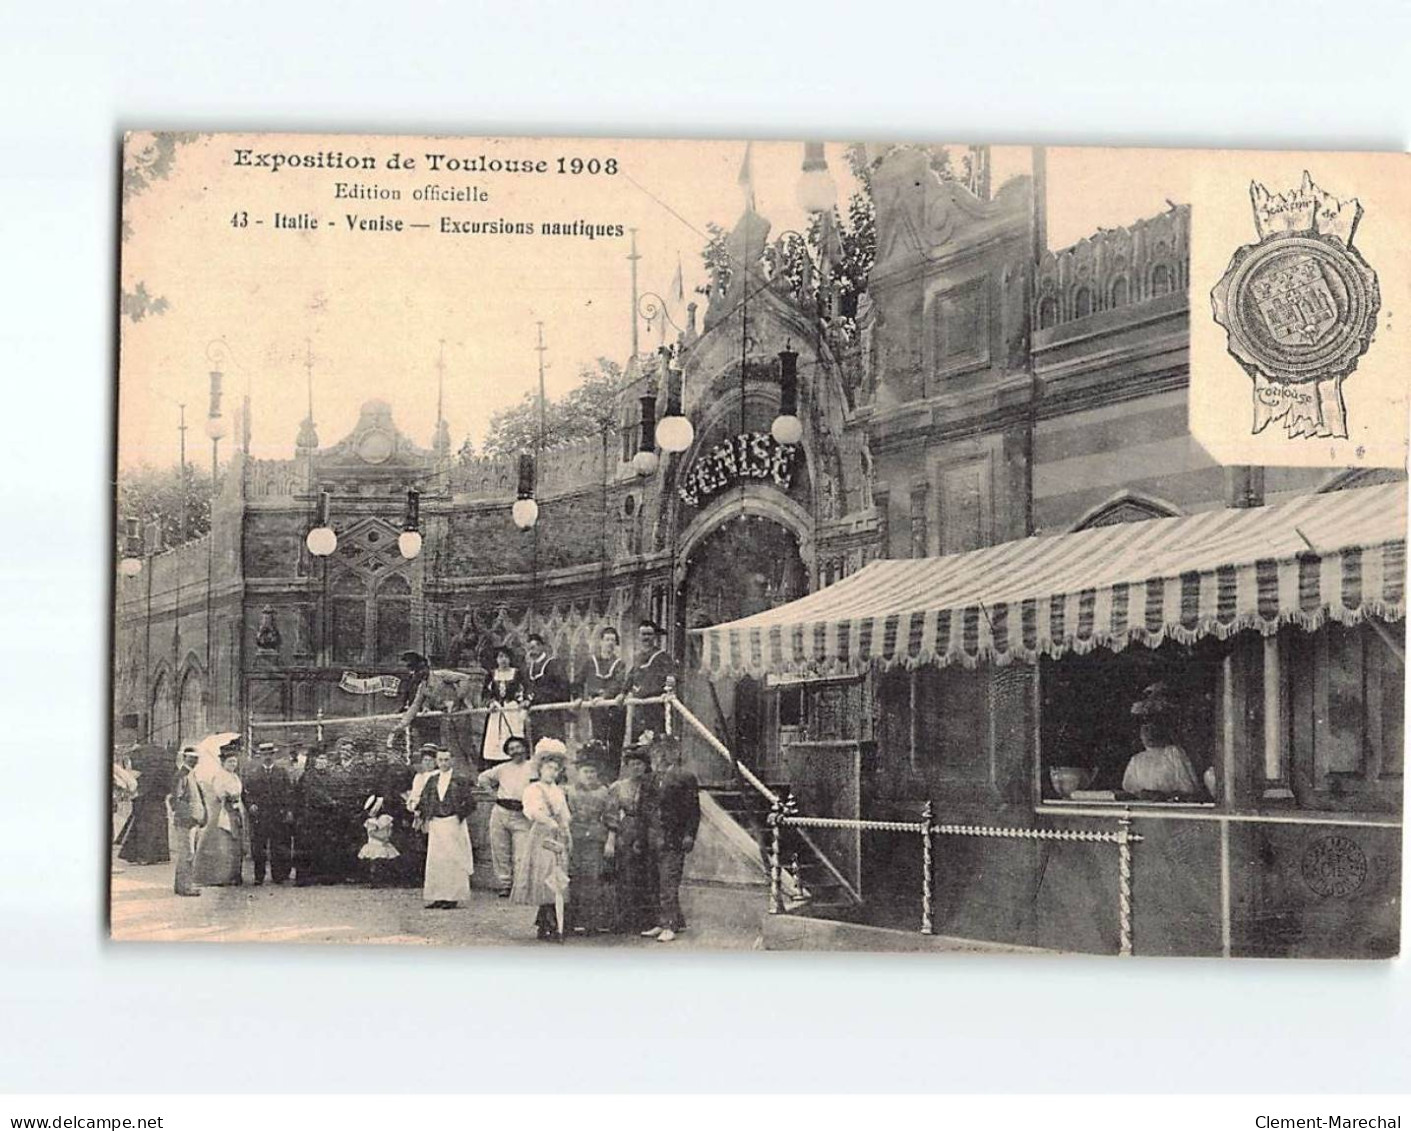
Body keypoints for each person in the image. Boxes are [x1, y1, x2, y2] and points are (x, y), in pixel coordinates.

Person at [642, 735, 699, 943]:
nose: (660, 756)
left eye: (665, 751)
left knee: (668, 882)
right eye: (656, 752)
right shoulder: (649, 779)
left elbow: (693, 811)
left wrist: (689, 835)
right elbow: (643, 809)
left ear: (674, 753)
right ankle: (660, 921)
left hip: (673, 838)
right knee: (654, 881)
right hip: (652, 837)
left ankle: (670, 925)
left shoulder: (685, 777)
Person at [513, 740, 572, 941]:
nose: (552, 772)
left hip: (558, 835)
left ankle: (549, 920)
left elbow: (564, 813)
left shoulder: (558, 790)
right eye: (548, 768)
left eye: (556, 769)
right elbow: (533, 811)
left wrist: (565, 829)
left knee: (559, 877)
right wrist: (549, 822)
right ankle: (549, 922)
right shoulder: (534, 789)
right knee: (546, 877)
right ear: (540, 769)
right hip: (542, 836)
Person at [415, 747, 476, 909]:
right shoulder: (432, 780)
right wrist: (425, 816)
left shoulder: (460, 780)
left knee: (453, 858)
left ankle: (452, 897)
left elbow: (470, 803)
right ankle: (438, 896)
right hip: (436, 823)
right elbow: (424, 800)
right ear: (436, 761)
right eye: (440, 760)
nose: (443, 763)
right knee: (436, 860)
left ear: (452, 761)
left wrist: (458, 815)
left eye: (446, 760)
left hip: (453, 822)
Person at [476, 734, 535, 897]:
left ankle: (521, 885)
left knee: (522, 852)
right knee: (500, 850)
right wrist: (492, 794)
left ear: (524, 748)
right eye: (511, 749)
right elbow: (482, 778)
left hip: (522, 814)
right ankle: (505, 885)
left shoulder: (533, 766)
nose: (515, 751)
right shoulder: (502, 768)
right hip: (501, 811)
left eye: (518, 747)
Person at [1122, 683, 1204, 798]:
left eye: (1152, 724)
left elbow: (1189, 789)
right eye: (1144, 726)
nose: (1147, 731)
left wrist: (1163, 795)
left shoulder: (1173, 753)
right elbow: (1130, 790)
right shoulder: (1136, 760)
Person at [565, 757, 617, 935]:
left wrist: (610, 841)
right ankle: (568, 922)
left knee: (593, 880)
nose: (589, 775)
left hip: (595, 839)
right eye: (585, 771)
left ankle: (591, 923)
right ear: (578, 773)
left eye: (592, 772)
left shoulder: (605, 792)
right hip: (573, 838)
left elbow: (612, 818)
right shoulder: (569, 791)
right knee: (571, 878)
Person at [608, 746, 656, 933]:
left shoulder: (652, 785)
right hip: (627, 830)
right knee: (626, 874)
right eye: (632, 764)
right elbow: (611, 814)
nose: (636, 768)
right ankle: (626, 919)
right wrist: (611, 839)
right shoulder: (618, 787)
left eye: (640, 764)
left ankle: (647, 920)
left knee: (648, 875)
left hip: (649, 829)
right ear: (627, 766)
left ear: (646, 766)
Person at [193, 749, 246, 886]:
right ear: (223, 763)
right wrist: (228, 796)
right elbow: (218, 793)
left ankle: (233, 875)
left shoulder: (234, 776)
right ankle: (219, 876)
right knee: (223, 845)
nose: (233, 764)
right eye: (230, 762)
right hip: (223, 811)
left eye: (235, 761)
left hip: (235, 811)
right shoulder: (219, 776)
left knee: (235, 845)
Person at [245, 742, 294, 885]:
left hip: (277, 815)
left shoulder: (282, 772)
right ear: (261, 756)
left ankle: (278, 875)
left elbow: (289, 792)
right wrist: (251, 804)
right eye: (265, 754)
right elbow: (246, 793)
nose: (268, 757)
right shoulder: (253, 774)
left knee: (277, 846)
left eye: (270, 754)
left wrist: (288, 810)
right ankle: (259, 876)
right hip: (260, 816)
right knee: (259, 848)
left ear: (274, 755)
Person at [580, 626, 628, 771]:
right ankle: (599, 775)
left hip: (614, 707)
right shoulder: (590, 662)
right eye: (607, 639)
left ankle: (612, 776)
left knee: (614, 742)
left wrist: (604, 696)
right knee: (598, 741)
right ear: (601, 642)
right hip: (596, 708)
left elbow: (618, 683)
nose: (610, 643)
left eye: (613, 640)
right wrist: (577, 697)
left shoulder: (620, 664)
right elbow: (578, 680)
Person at [118, 744, 173, 865]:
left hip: (146, 800)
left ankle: (143, 856)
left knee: (144, 828)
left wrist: (136, 793)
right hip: (157, 800)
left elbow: (136, 783)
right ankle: (157, 855)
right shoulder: (160, 770)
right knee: (155, 828)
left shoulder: (144, 766)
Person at [295, 750, 343, 886]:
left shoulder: (330, 775)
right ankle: (306, 878)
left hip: (327, 816)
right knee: (309, 845)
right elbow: (314, 793)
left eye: (325, 759)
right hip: (311, 816)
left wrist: (336, 801)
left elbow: (336, 790)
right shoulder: (309, 776)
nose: (323, 762)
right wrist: (330, 801)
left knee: (326, 846)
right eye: (320, 759)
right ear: (314, 761)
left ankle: (324, 876)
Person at [167, 745, 207, 897]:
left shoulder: (191, 775)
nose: (194, 761)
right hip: (186, 822)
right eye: (191, 758)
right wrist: (188, 817)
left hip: (193, 820)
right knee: (187, 854)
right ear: (184, 758)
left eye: (196, 758)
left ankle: (183, 885)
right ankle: (185, 887)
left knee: (189, 854)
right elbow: (175, 800)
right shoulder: (181, 776)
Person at [628, 621, 677, 743]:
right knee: (638, 741)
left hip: (655, 704)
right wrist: (623, 693)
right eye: (643, 634)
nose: (646, 637)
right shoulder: (637, 658)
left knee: (655, 739)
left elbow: (671, 675)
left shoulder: (662, 656)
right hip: (639, 705)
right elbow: (630, 677)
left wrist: (668, 690)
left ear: (654, 636)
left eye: (649, 634)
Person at [480, 646, 528, 764]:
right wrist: (490, 703)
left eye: (506, 657)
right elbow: (485, 694)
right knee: (494, 739)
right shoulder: (491, 675)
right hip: (496, 712)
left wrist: (524, 701)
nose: (503, 660)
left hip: (512, 711)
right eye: (500, 657)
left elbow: (527, 689)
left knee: (514, 735)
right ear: (496, 659)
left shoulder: (517, 673)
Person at [524, 632, 571, 741]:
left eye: (533, 647)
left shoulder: (553, 664)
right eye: (529, 649)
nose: (531, 651)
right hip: (535, 715)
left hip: (552, 714)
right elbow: (527, 689)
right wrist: (527, 699)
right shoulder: (528, 670)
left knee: (553, 744)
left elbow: (564, 688)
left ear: (541, 647)